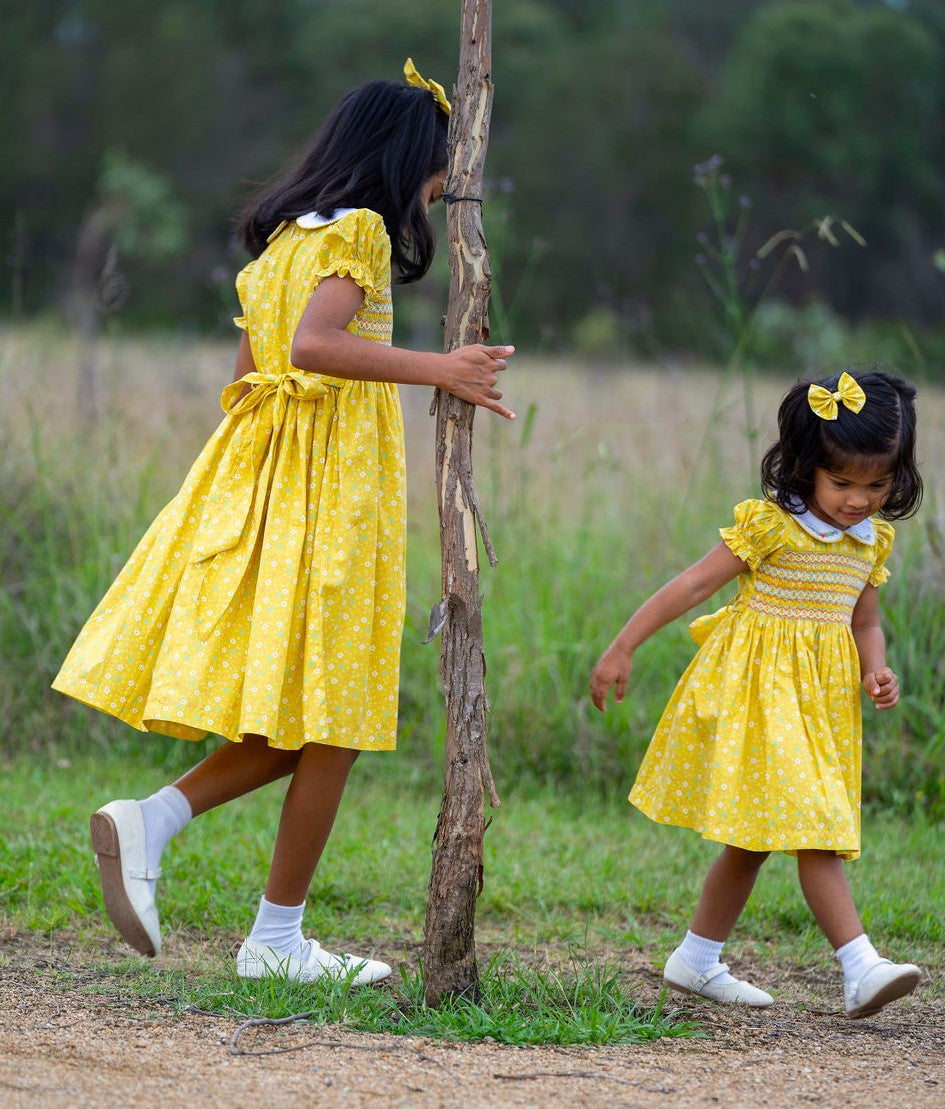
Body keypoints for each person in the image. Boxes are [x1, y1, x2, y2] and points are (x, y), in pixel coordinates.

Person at [53, 60, 515, 985]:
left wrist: (260, 469)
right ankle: (271, 935)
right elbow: (312, 346)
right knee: (336, 714)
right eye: (438, 167)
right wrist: (443, 369)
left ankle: (165, 830)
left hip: (264, 475)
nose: (440, 187)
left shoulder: (280, 240)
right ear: (403, 157)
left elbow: (250, 366)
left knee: (315, 712)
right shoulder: (361, 232)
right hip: (331, 493)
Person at [590, 368, 923, 1018]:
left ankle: (695, 958)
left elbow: (864, 620)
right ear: (805, 467)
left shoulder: (869, 539)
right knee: (816, 831)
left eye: (876, 483)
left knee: (751, 841)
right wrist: (623, 644)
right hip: (760, 699)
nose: (858, 499)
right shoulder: (773, 527)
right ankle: (859, 966)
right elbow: (691, 586)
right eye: (842, 482)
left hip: (821, 706)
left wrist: (873, 668)